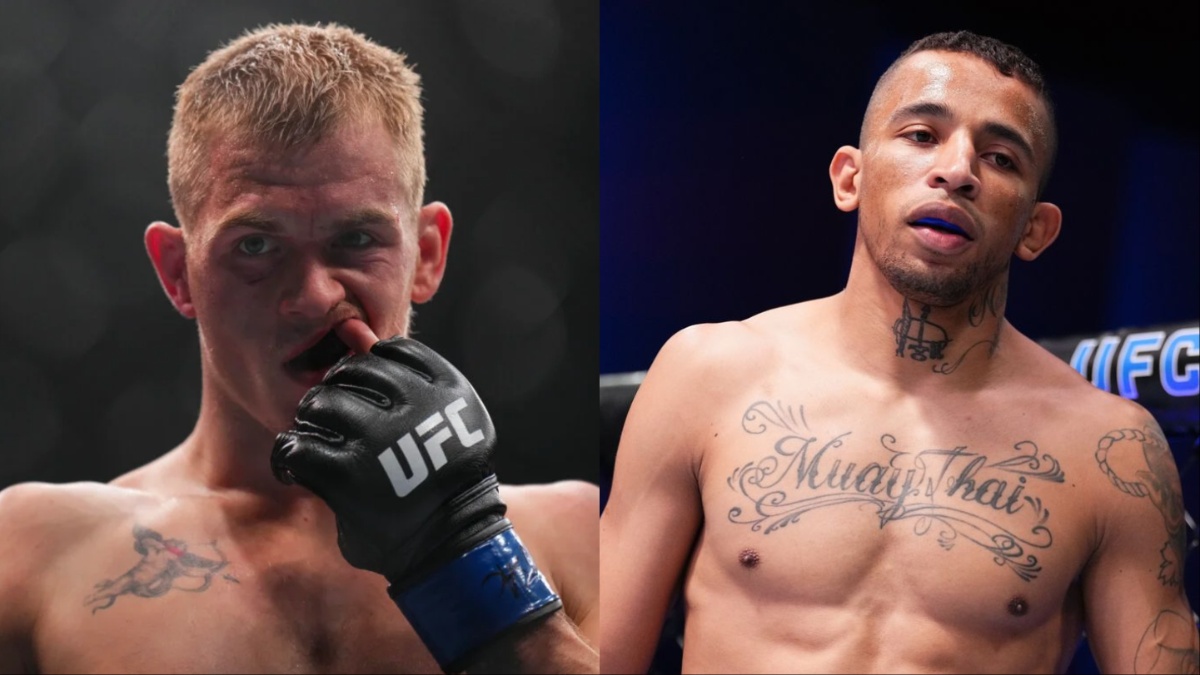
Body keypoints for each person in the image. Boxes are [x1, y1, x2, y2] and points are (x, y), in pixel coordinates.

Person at [0, 22, 598, 674]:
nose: (313, 296)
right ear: (177, 272)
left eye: (357, 238)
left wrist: (462, 550)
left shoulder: (573, 536)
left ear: (426, 254)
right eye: (256, 245)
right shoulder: (35, 553)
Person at [599, 30, 1198, 674]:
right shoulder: (708, 374)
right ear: (849, 177)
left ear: (1036, 229)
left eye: (1000, 158)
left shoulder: (1110, 449)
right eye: (921, 136)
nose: (957, 171)